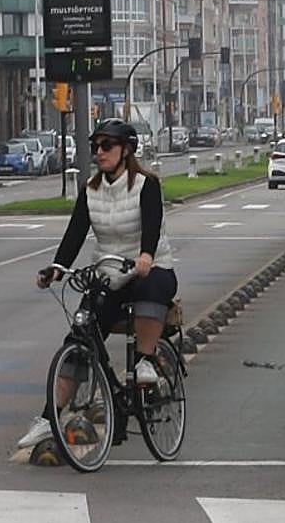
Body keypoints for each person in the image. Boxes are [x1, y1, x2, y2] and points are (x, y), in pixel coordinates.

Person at [18, 117, 178, 449]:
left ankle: (146, 361)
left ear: (126, 150)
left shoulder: (146, 185)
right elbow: (75, 234)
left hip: (150, 269)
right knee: (79, 337)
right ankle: (49, 419)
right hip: (109, 273)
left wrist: (146, 255)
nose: (99, 152)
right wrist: (56, 269)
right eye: (95, 146)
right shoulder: (90, 191)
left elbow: (152, 224)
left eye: (107, 145)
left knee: (149, 288)